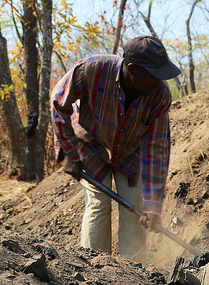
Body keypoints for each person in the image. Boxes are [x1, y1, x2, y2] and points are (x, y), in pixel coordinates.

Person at [51, 36, 181, 261]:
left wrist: (153, 204)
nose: (160, 81)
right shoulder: (92, 70)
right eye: (154, 74)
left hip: (130, 152)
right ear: (132, 69)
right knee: (99, 202)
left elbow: (157, 149)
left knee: (135, 207)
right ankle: (93, 267)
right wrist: (68, 153)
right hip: (91, 143)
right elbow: (59, 102)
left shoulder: (159, 95)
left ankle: (134, 273)